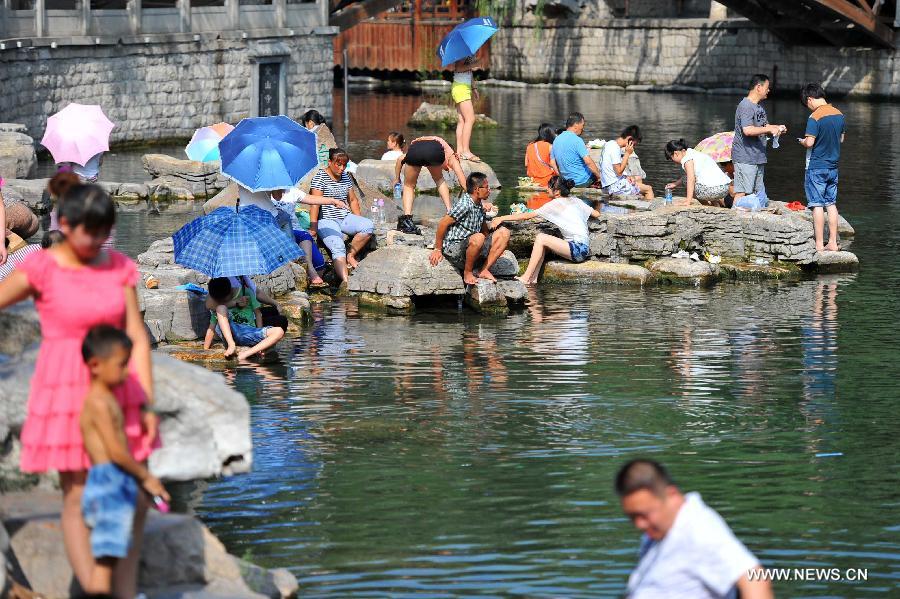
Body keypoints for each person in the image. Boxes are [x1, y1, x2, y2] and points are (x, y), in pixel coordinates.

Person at [0, 182, 158, 597]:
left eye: (103, 232)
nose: (97, 243)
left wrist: (146, 400)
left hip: (118, 389)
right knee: (78, 496)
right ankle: (96, 589)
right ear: (65, 224)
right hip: (64, 389)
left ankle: (120, 591)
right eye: (89, 232)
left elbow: (137, 336)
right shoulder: (41, 267)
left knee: (135, 496)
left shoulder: (118, 267)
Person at [79, 325, 169, 596]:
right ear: (95, 365)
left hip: (113, 482)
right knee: (105, 562)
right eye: (121, 365)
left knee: (111, 555)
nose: (127, 371)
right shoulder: (98, 403)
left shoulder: (106, 398)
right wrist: (147, 478)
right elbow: (116, 452)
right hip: (108, 484)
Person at [616, 459, 773, 599]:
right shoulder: (661, 531)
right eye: (632, 517)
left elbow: (757, 579)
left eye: (644, 515)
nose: (639, 524)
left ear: (671, 495)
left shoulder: (698, 530)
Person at [490, 175, 599, 285]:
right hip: (583, 248)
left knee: (541, 238)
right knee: (543, 245)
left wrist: (501, 217)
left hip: (578, 250)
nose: (546, 189)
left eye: (549, 187)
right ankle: (533, 278)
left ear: (556, 192)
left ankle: (526, 277)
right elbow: (596, 214)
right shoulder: (576, 200)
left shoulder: (554, 204)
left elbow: (527, 215)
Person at [430, 172, 510, 285]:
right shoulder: (464, 205)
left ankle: (483, 270)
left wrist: (494, 248)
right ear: (477, 189)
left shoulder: (478, 204)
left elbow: (484, 229)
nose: (489, 190)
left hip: (473, 247)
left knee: (504, 232)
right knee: (478, 237)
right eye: (487, 187)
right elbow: (443, 224)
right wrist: (437, 249)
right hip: (456, 251)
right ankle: (467, 273)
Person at [309, 148, 374, 282]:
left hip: (344, 217)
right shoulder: (320, 177)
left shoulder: (345, 176)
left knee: (368, 225)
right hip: (326, 219)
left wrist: (358, 218)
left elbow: (352, 200)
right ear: (329, 162)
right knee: (338, 246)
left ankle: (351, 255)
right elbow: (314, 203)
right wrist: (313, 227)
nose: (342, 168)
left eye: (344, 165)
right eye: (338, 164)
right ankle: (346, 282)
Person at [799, 82, 845, 253]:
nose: (808, 107)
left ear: (810, 99)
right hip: (833, 167)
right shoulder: (839, 114)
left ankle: (819, 245)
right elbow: (841, 139)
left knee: (817, 205)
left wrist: (803, 141)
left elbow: (810, 142)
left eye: (807, 104)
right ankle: (832, 242)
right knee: (831, 204)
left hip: (816, 167)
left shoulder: (814, 117)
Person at [392, 135, 468, 235]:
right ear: (457, 156)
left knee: (408, 186)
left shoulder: (424, 144)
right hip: (433, 150)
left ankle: (407, 220)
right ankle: (450, 212)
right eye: (448, 168)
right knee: (440, 180)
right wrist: (475, 197)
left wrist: (397, 178)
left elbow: (399, 159)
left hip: (415, 149)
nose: (448, 169)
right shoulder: (452, 154)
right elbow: (463, 181)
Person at [733, 74, 787, 201]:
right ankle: (735, 218)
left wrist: (777, 128)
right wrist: (769, 128)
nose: (769, 90)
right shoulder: (745, 106)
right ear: (758, 87)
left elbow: (764, 126)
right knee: (742, 193)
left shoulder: (759, 108)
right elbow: (748, 130)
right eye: (767, 87)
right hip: (745, 157)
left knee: (759, 194)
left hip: (758, 157)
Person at [204, 277, 285, 361]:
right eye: (219, 300)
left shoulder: (246, 292)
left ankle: (246, 354)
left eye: (224, 299)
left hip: (248, 332)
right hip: (230, 333)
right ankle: (232, 344)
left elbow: (258, 314)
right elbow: (211, 329)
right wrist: (205, 351)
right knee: (220, 308)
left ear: (230, 291)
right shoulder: (219, 305)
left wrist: (259, 332)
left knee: (279, 331)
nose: (222, 301)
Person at [664, 139, 732, 206]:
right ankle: (715, 203)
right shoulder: (693, 152)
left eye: (671, 159)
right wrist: (675, 184)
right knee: (694, 179)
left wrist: (688, 201)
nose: (674, 162)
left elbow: (691, 179)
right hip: (725, 188)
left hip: (713, 190)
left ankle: (707, 205)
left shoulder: (687, 160)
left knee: (687, 181)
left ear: (676, 153)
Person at [600, 125, 654, 199]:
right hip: (613, 187)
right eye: (634, 144)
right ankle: (649, 209)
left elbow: (614, 170)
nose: (633, 147)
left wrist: (626, 176)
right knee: (648, 189)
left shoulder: (610, 143)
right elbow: (619, 172)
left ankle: (637, 198)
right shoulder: (614, 148)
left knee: (638, 178)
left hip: (608, 183)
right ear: (629, 139)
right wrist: (627, 153)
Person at [551, 112, 602, 188]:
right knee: (601, 170)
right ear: (576, 125)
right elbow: (588, 162)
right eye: (582, 125)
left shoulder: (556, 140)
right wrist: (599, 177)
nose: (583, 128)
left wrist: (561, 177)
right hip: (582, 181)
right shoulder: (577, 140)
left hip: (567, 181)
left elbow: (552, 163)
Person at [450, 55, 481, 162]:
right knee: (470, 119)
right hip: (461, 89)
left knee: (462, 121)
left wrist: (474, 88)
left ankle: (459, 151)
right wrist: (473, 65)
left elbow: (469, 73)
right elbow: (459, 68)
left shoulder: (467, 55)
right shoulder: (460, 55)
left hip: (463, 88)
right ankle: (466, 151)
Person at [524, 123, 558, 188]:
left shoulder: (529, 146)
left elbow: (526, 164)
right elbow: (554, 164)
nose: (556, 135)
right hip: (548, 181)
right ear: (550, 134)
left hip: (533, 181)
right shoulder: (550, 146)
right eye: (554, 133)